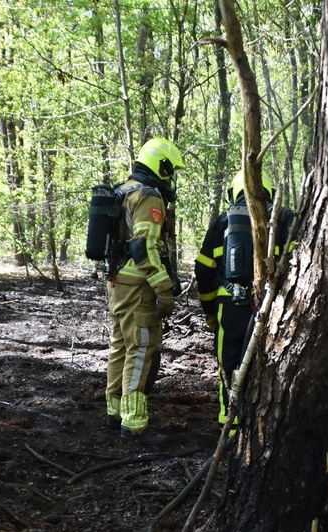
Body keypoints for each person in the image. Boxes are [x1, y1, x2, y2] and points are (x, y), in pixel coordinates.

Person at [195, 169, 295, 435]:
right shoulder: (285, 218)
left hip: (228, 308)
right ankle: (261, 422)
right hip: (271, 309)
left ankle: (230, 424)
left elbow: (203, 270)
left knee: (228, 364)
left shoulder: (222, 221)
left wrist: (209, 311)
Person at [105, 137, 185, 445]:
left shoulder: (123, 191)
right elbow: (144, 245)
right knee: (141, 349)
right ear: (160, 165)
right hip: (138, 285)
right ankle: (135, 423)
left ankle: (114, 410)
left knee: (121, 346)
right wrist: (163, 288)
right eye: (170, 169)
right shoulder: (148, 196)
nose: (171, 177)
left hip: (117, 282)